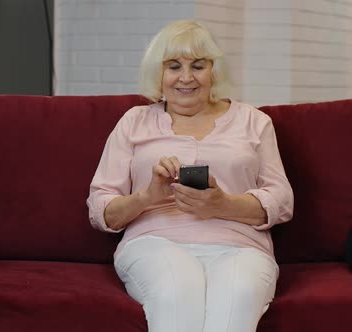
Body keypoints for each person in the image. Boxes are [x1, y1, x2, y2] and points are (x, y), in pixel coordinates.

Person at [87, 20, 294, 332]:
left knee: (239, 293)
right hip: (154, 243)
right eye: (173, 66)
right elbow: (101, 209)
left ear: (214, 72)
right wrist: (147, 197)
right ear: (159, 74)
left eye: (198, 66)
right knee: (179, 289)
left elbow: (281, 199)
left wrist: (223, 204)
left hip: (240, 246)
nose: (186, 77)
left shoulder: (254, 122)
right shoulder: (134, 122)